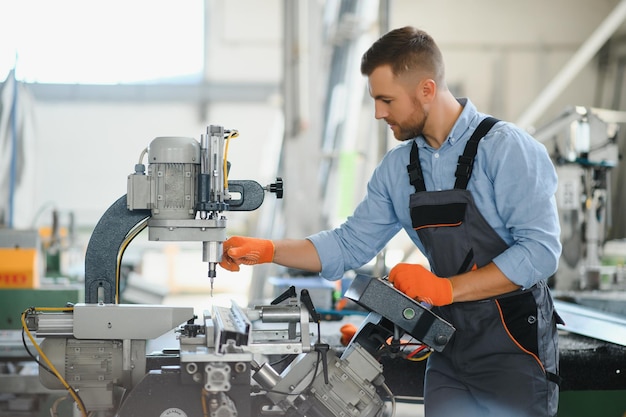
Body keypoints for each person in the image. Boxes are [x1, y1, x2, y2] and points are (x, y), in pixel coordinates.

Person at [220, 26, 562, 417]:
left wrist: (444, 288)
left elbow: (540, 253)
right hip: (449, 351)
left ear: (427, 90)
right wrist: (269, 251)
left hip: (513, 349)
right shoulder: (398, 168)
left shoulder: (507, 149)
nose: (379, 113)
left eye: (386, 100)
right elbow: (349, 244)